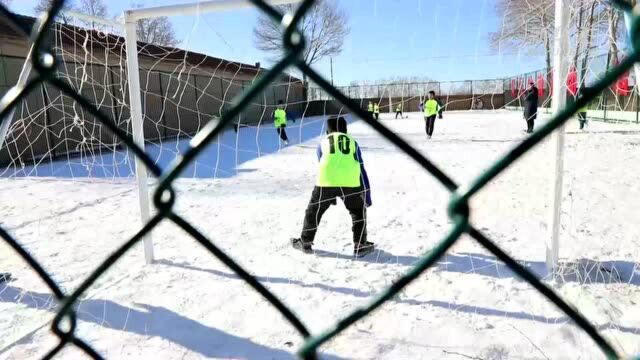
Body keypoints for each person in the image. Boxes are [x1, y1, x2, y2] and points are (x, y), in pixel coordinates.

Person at [291, 116, 375, 257]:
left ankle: (305, 241)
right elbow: (361, 169)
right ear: (345, 129)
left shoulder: (323, 142)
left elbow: (321, 159)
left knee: (314, 210)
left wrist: (331, 193)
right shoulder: (353, 142)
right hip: (351, 181)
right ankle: (360, 244)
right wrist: (367, 194)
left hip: (326, 181)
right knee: (358, 211)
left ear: (327, 131)